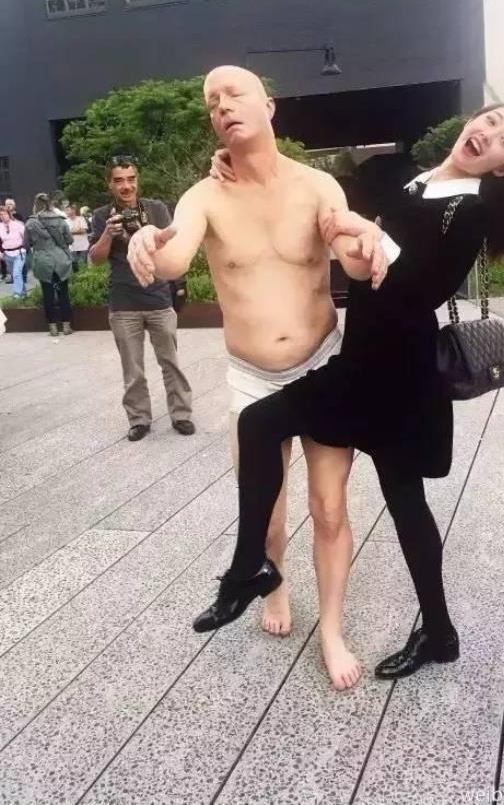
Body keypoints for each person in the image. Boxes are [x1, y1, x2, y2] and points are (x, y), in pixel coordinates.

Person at [140, 103, 504, 681]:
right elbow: (313, 190)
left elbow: (423, 291)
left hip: (400, 378)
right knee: (259, 423)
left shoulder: (470, 210)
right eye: (489, 121)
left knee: (406, 506)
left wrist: (376, 239)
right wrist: (234, 159)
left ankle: (438, 633)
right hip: (358, 364)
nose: (487, 135)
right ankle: (252, 567)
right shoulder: (414, 180)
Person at [126, 65, 388, 690]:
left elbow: (352, 260)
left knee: (329, 509)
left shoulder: (317, 186)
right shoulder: (205, 195)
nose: (222, 105)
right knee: (267, 515)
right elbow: (174, 254)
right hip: (252, 379)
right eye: (212, 102)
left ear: (268, 106)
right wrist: (147, 244)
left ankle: (331, 629)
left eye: (234, 94)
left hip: (322, 366)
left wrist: (366, 241)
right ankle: (274, 584)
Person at [89, 159, 194, 442]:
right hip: (123, 303)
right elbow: (95, 259)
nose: (126, 186)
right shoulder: (102, 215)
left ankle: (181, 415)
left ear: (137, 180)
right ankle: (138, 419)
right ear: (110, 184)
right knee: (132, 369)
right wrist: (107, 235)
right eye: (119, 180)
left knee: (171, 363)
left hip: (159, 298)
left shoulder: (156, 209)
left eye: (131, 178)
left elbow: (174, 247)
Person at [24, 193, 74, 337]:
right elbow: (70, 240)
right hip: (60, 259)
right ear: (50, 204)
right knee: (63, 293)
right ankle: (66, 326)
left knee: (48, 294)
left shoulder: (30, 223)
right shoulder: (60, 220)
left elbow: (26, 244)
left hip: (42, 260)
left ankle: (52, 327)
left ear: (35, 205)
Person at [0, 207, 26, 299]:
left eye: (4, 214)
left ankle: (17, 294)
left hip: (19, 253)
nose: (2, 216)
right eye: (0, 215)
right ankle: (23, 294)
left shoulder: (18, 224)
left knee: (16, 273)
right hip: (7, 254)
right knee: (15, 275)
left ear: (9, 214)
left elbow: (26, 237)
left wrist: (26, 247)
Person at [66, 204, 90, 270]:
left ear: (73, 210)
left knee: (83, 266)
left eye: (68, 210)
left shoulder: (81, 219)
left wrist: (70, 231)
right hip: (72, 247)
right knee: (74, 266)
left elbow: (83, 230)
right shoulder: (65, 221)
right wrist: (77, 229)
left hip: (83, 246)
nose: (66, 212)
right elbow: (65, 233)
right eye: (66, 210)